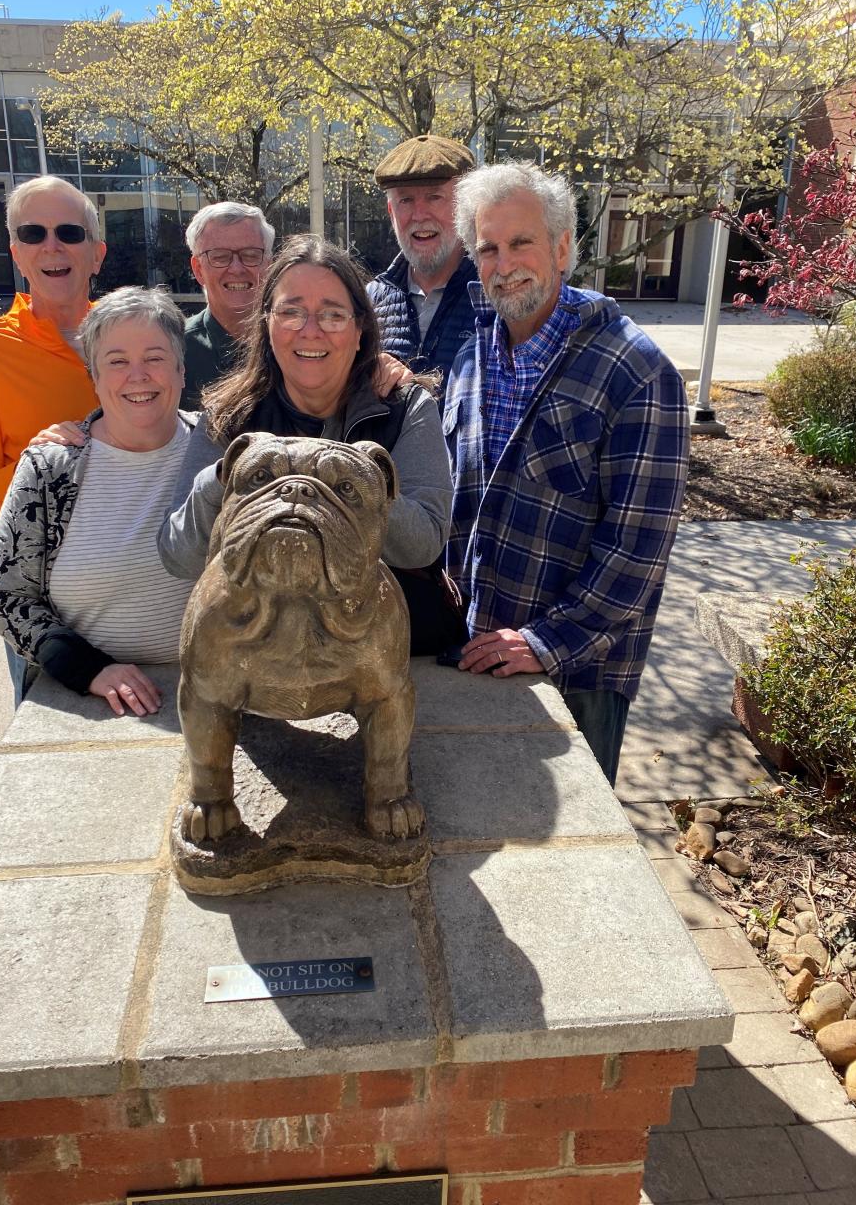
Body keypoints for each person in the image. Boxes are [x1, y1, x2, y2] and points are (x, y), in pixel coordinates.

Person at [445, 162, 690, 783]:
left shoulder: (635, 370)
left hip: (577, 671)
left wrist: (543, 643)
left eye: (521, 242)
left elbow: (638, 550)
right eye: (488, 248)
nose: (505, 262)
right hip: (472, 651)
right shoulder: (474, 355)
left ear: (561, 247)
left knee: (569, 861)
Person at [159, 235, 462, 654]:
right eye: (291, 312)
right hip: (262, 655)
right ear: (266, 324)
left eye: (333, 315)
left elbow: (424, 543)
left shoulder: (406, 408)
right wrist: (226, 478)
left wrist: (348, 481)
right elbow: (178, 555)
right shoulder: (230, 416)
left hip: (384, 654)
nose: (311, 330)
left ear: (360, 330)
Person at [0, 287, 197, 715]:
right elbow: (7, 598)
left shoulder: (222, 450)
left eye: (155, 358)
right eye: (116, 362)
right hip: (96, 702)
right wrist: (90, 670)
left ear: (180, 370)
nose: (138, 376)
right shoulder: (50, 469)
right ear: (93, 377)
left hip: (212, 692)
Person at [0, 175, 107, 528]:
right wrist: (36, 465)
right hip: (50, 576)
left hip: (155, 562)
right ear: (17, 255)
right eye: (33, 234)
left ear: (97, 254)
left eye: (69, 233)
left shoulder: (133, 336)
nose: (52, 246)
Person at [367, 134, 478, 389]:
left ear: (465, 207)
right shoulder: (366, 305)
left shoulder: (495, 297)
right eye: (405, 200)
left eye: (434, 197)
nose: (419, 215)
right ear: (391, 212)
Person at [181, 201, 274, 409]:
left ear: (268, 264)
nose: (236, 268)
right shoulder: (175, 353)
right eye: (220, 257)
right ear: (198, 269)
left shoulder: (295, 345)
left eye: (250, 255)